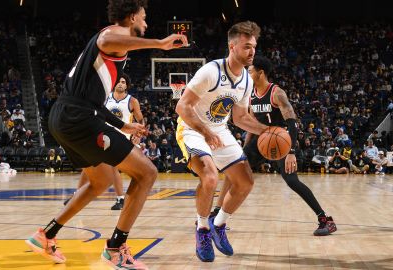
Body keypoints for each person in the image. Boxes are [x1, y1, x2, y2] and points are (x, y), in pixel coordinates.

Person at [25, 1, 188, 269]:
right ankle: (115, 248)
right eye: (144, 18)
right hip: (78, 119)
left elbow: (95, 103)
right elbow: (106, 38)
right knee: (147, 173)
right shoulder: (116, 34)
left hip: (65, 116)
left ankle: (46, 234)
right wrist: (159, 43)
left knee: (99, 182)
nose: (145, 23)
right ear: (133, 16)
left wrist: (123, 126)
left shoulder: (114, 49)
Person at [175, 21, 268, 262]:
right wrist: (204, 132)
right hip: (192, 127)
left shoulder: (247, 81)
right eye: (247, 47)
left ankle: (219, 224)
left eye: (254, 47)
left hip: (219, 129)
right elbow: (182, 106)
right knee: (210, 177)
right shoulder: (211, 71)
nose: (252, 52)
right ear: (232, 46)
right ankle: (203, 229)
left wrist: (266, 130)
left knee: (245, 182)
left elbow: (239, 118)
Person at [215, 56, 336, 236]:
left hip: (281, 141)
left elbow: (292, 122)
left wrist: (291, 151)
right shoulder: (250, 94)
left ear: (261, 72)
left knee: (292, 181)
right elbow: (252, 124)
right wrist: (245, 149)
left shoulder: (276, 93)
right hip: (260, 140)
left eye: (250, 71)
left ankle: (325, 220)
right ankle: (216, 215)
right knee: (234, 171)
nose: (247, 74)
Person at [64, 74, 144, 210]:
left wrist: (139, 134)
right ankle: (77, 195)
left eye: (123, 82)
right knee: (88, 164)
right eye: (118, 81)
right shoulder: (105, 98)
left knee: (112, 167)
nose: (120, 84)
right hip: (101, 134)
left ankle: (120, 199)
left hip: (121, 137)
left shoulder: (132, 101)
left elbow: (140, 120)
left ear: (127, 85)